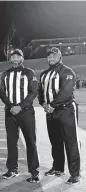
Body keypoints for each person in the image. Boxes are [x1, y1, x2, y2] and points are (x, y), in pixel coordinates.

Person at [38, 47, 81, 184]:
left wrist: (53, 104)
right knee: (55, 141)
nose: (51, 58)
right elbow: (41, 92)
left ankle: (75, 173)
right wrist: (44, 104)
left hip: (65, 109)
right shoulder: (44, 74)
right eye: (49, 56)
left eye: (54, 56)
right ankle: (58, 167)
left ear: (60, 57)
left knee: (71, 142)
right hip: (51, 112)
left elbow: (66, 91)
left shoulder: (67, 71)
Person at [0, 49, 40, 183]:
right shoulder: (6, 74)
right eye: (13, 57)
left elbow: (33, 92)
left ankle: (34, 172)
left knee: (30, 142)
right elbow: (2, 93)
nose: (15, 59)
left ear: (22, 58)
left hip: (25, 112)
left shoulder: (29, 73)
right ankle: (12, 170)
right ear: (11, 59)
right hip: (10, 112)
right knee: (11, 142)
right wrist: (11, 106)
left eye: (18, 56)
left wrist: (20, 106)